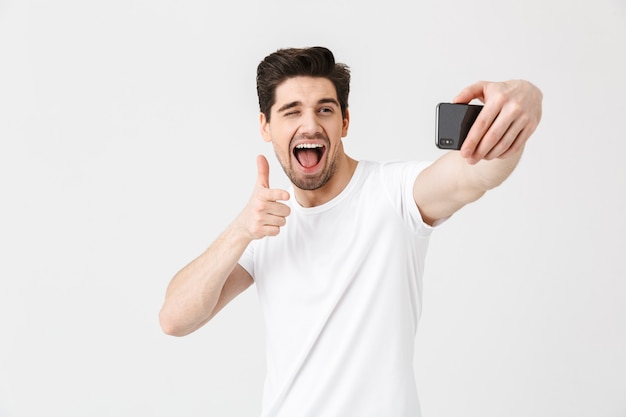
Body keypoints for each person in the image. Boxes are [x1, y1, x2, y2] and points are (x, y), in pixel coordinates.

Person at [159, 46, 543, 417]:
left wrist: (524, 101)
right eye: (291, 112)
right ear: (266, 125)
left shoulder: (395, 193)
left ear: (344, 121)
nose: (310, 125)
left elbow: (474, 175)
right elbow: (175, 319)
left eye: (324, 110)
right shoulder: (265, 224)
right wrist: (240, 231)